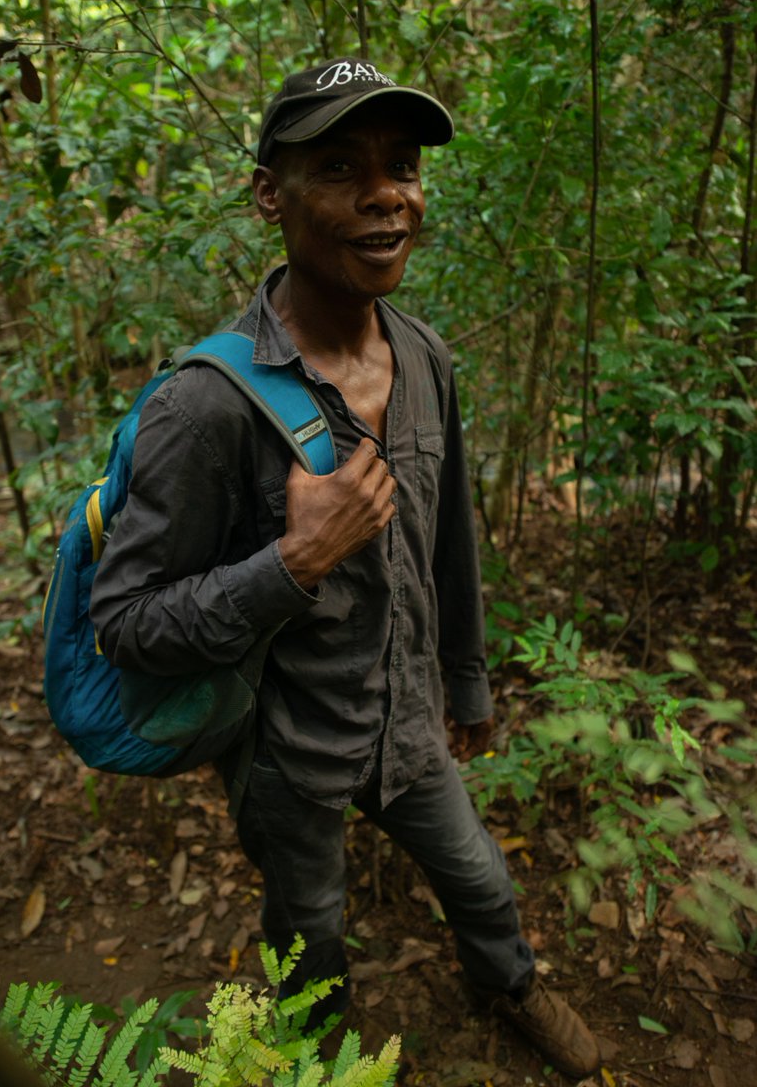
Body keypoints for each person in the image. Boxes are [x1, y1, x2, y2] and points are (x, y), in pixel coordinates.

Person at [90, 57, 600, 1080]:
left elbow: (449, 537)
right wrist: (294, 560)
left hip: (410, 726)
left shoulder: (425, 359)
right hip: (290, 751)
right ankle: (318, 1053)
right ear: (269, 194)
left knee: (478, 877)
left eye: (401, 166)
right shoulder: (205, 404)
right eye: (338, 166)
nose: (384, 194)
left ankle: (506, 982)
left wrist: (465, 678)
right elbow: (126, 622)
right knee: (306, 926)